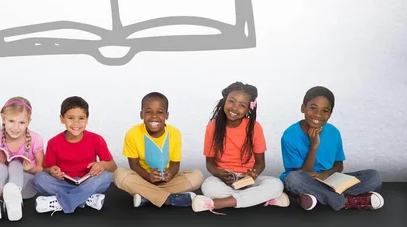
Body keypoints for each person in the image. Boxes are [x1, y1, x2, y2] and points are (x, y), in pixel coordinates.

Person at [280, 86, 384, 211]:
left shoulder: (333, 132)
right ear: (303, 108)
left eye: (325, 110)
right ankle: (345, 201)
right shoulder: (290, 135)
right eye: (313, 108)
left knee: (374, 177)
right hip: (305, 179)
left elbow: (339, 165)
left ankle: (315, 196)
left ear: (330, 114)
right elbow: (304, 174)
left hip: (329, 179)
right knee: (292, 180)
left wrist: (325, 174)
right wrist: (314, 146)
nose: (318, 114)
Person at [192, 82, 288, 214]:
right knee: (208, 186)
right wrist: (218, 173)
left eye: (242, 105)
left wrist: (253, 174)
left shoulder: (254, 127)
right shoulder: (212, 127)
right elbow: (209, 163)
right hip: (224, 180)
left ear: (249, 108)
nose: (235, 108)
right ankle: (259, 198)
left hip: (247, 179)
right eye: (232, 101)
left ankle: (219, 203)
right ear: (224, 100)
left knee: (276, 184)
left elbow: (260, 163)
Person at [114, 92, 204, 208]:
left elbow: (175, 164)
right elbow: (134, 164)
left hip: (165, 181)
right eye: (148, 112)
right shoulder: (133, 133)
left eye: (160, 112)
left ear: (167, 115)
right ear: (141, 114)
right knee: (119, 174)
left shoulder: (174, 133)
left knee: (197, 176)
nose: (154, 116)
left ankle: (146, 196)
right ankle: (168, 199)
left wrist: (170, 173)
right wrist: (148, 176)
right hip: (142, 178)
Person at [33, 96, 116, 214]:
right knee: (39, 178)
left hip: (88, 181)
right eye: (70, 118)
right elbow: (46, 169)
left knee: (106, 177)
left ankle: (61, 202)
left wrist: (102, 164)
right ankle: (86, 199)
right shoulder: (54, 142)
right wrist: (52, 171)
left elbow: (113, 166)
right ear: (62, 119)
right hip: (63, 182)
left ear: (87, 119)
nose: (76, 123)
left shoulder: (96, 139)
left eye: (81, 118)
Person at [0, 96, 44, 221]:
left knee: (15, 163)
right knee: (2, 167)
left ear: (28, 122)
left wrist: (31, 169)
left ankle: (14, 195)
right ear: (3, 118)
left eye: (21, 123)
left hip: (26, 187)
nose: (15, 127)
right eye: (11, 121)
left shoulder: (36, 139)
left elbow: (41, 168)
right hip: (1, 190)